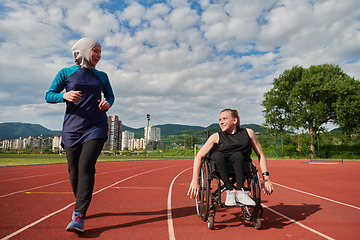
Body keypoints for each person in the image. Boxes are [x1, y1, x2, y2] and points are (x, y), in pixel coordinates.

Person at [45, 37, 115, 233]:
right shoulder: (65, 73)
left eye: (100, 52)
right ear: (84, 51)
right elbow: (49, 95)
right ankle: (81, 201)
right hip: (72, 129)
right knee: (73, 172)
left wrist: (107, 103)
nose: (99, 56)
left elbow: (110, 95)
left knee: (85, 167)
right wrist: (63, 96)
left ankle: (78, 215)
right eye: (96, 51)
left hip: (96, 127)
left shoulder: (102, 76)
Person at [187, 109, 273, 206]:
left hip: (241, 164)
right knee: (219, 155)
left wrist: (266, 178)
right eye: (219, 120)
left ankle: (240, 192)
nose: (221, 122)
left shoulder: (248, 133)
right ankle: (230, 191)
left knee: (238, 155)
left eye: (224, 119)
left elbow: (261, 154)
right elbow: (199, 156)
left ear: (234, 121)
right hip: (220, 164)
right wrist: (195, 181)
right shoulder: (216, 136)